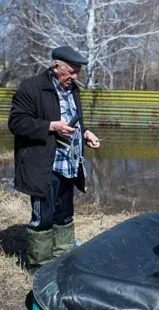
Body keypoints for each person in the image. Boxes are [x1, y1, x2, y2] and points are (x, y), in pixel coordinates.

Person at [8, 45, 101, 273]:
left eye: (77, 71)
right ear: (56, 66)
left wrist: (85, 132)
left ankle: (63, 257)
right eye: (71, 71)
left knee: (64, 214)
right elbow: (16, 122)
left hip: (68, 165)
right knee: (43, 217)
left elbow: (74, 119)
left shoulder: (73, 90)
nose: (74, 76)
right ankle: (40, 267)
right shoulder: (32, 88)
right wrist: (51, 126)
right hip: (44, 165)